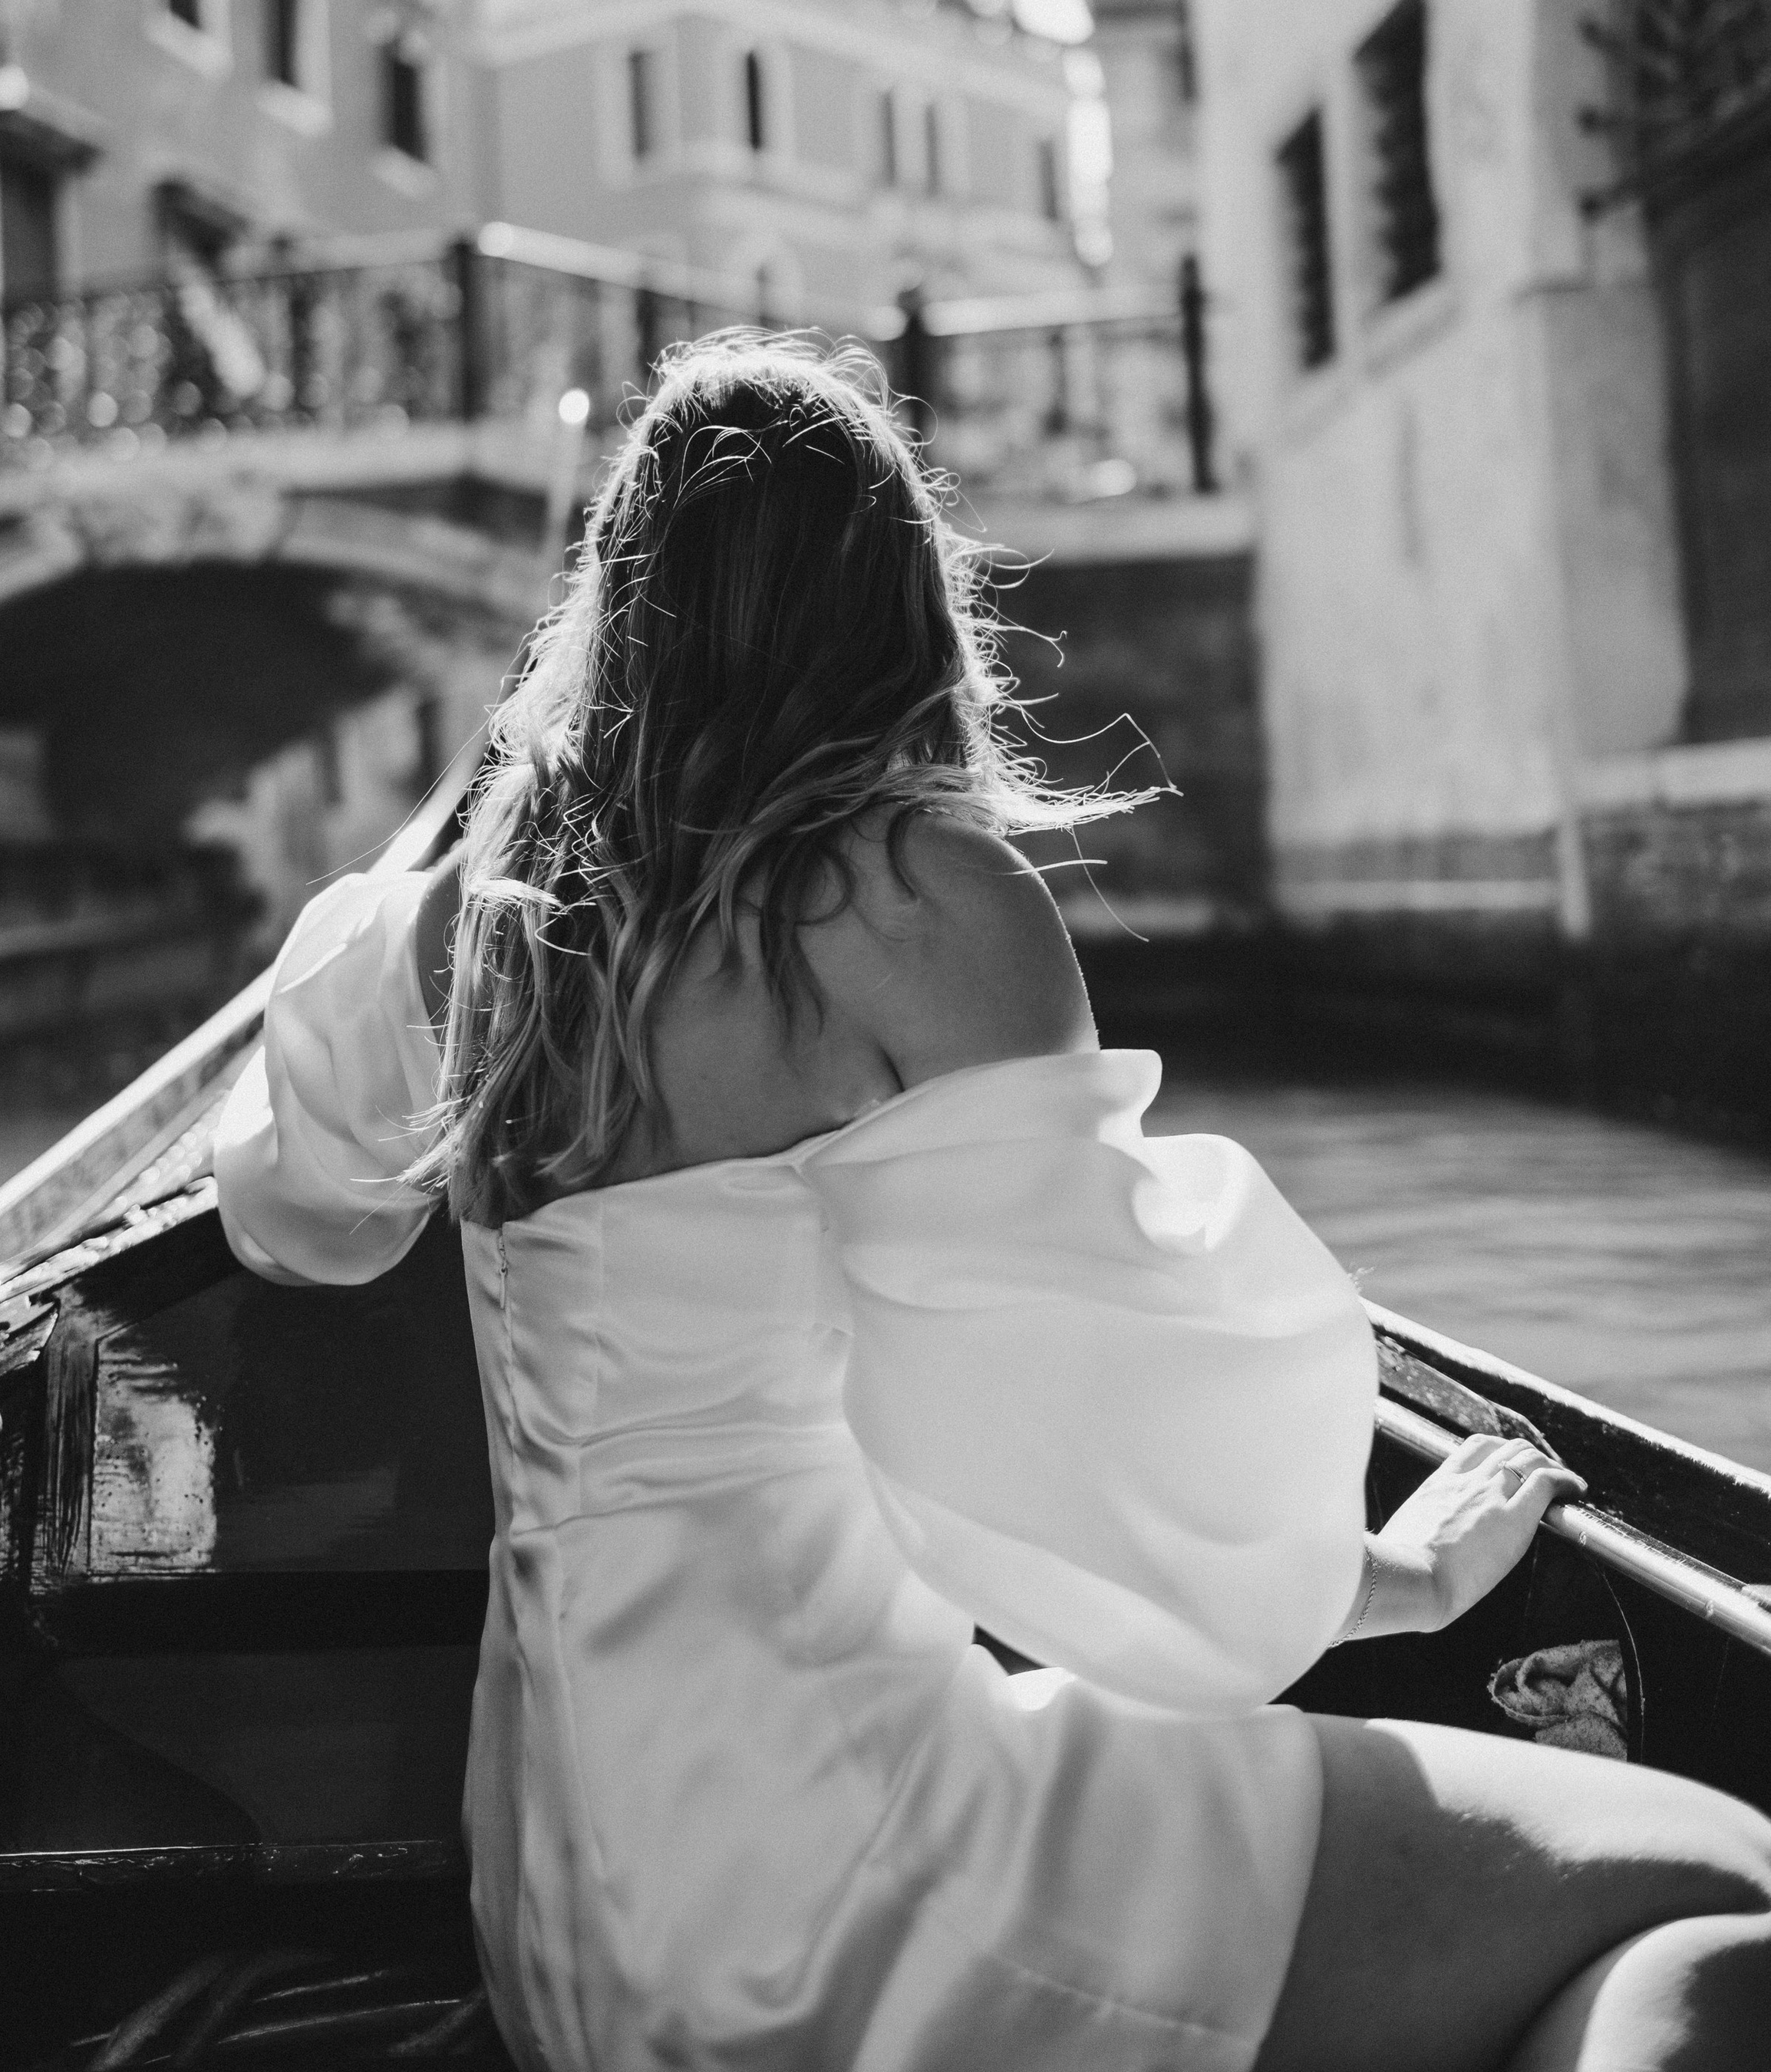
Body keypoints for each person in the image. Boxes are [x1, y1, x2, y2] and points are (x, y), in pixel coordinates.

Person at [216, 337, 1771, 2072]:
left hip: (565, 1913)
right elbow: (1084, 1458)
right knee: (1722, 1894)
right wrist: (1385, 1578)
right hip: (851, 1873)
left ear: (620, 605)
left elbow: (300, 1218)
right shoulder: (912, 900)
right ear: (900, 597)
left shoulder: (453, 927)